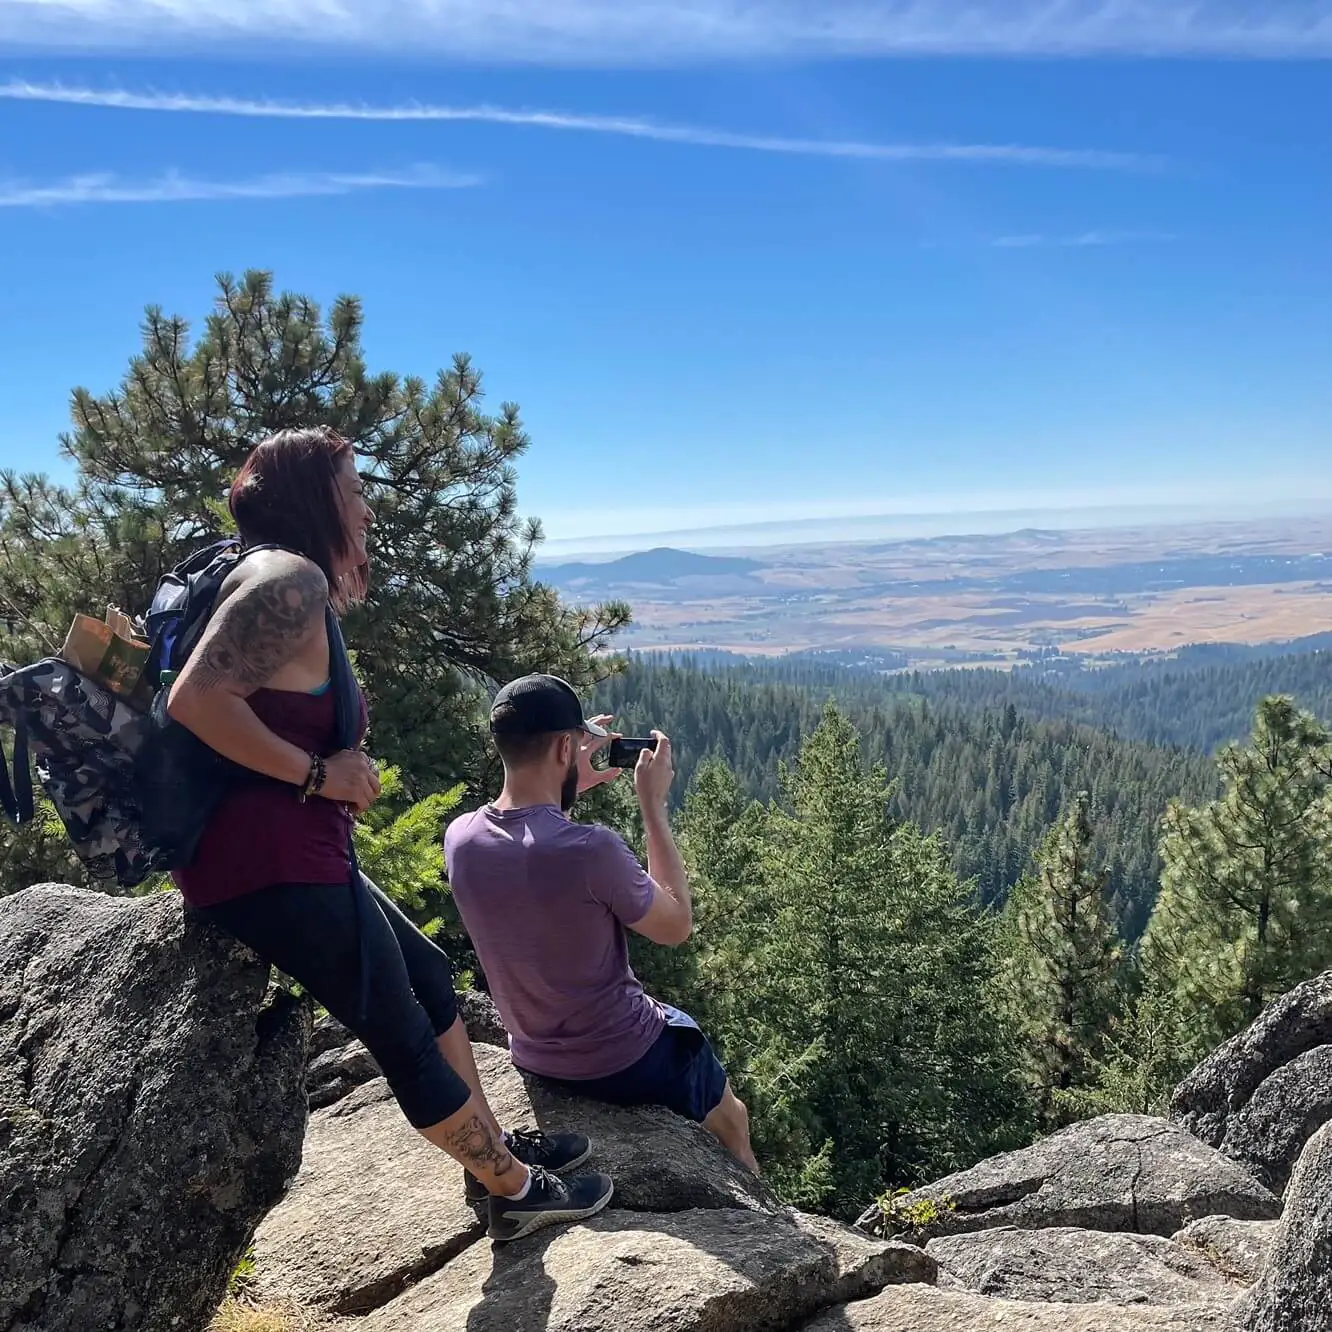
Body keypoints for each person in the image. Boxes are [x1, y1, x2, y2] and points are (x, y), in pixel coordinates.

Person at [166, 427, 613, 1243]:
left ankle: (491, 1146)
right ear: (316, 499)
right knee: (397, 1024)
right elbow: (195, 703)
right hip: (264, 865)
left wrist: (328, 772)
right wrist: (317, 773)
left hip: (295, 850)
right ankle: (510, 1191)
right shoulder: (287, 581)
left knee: (432, 978)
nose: (367, 509)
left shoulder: (274, 575)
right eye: (354, 489)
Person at [445, 674, 759, 1174]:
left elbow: (531, 848)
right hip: (623, 1055)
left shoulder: (460, 837)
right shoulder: (593, 849)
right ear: (567, 746)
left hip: (535, 1056)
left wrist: (564, 785)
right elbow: (675, 925)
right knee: (734, 1119)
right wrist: (653, 807)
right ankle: (760, 1216)